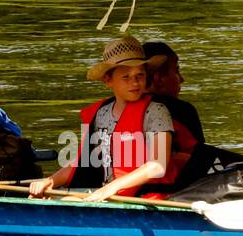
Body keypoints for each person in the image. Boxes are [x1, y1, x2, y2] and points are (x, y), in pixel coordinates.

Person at [29, 37, 175, 202]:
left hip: (145, 199)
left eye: (139, 75)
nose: (135, 82)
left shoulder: (157, 112)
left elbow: (158, 166)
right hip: (109, 196)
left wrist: (112, 187)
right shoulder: (101, 114)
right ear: (108, 80)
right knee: (44, 199)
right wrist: (50, 181)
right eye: (126, 77)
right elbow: (82, 162)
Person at [141, 40, 207, 193]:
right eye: (176, 71)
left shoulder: (108, 109)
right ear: (158, 79)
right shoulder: (182, 111)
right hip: (172, 193)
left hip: (126, 189)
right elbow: (201, 162)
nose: (181, 79)